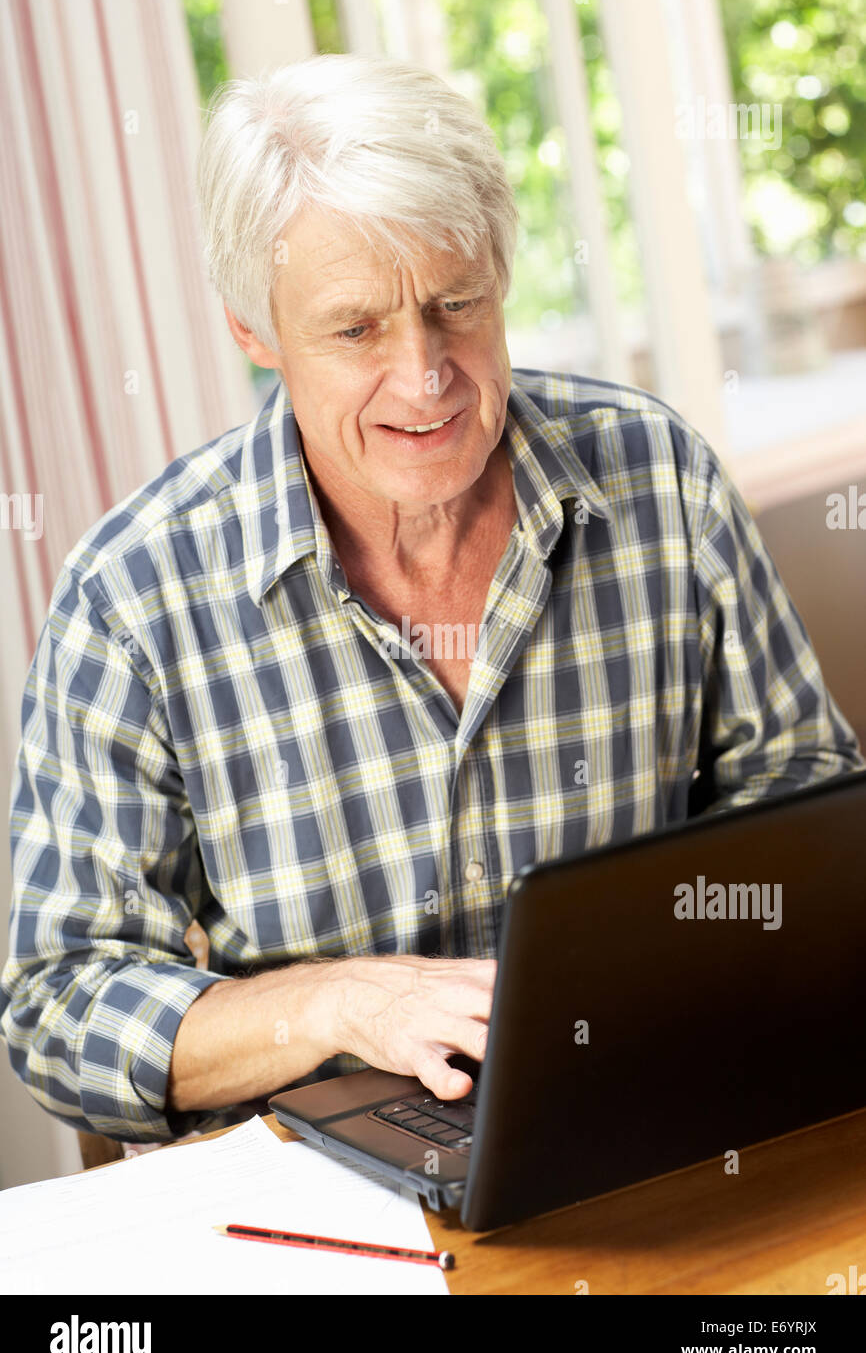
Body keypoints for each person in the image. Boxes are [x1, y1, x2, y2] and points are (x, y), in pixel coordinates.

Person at [1, 55, 862, 1146]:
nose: (423, 376)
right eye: (355, 329)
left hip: (643, 1125)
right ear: (252, 330)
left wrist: (672, 964)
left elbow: (806, 802)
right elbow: (61, 1003)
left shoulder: (660, 480)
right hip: (312, 1198)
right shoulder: (132, 595)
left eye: (454, 303)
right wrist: (343, 1002)